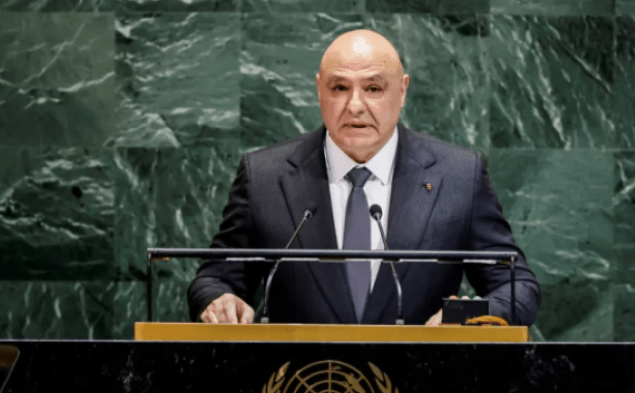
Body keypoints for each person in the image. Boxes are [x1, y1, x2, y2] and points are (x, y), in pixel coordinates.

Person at [188, 29, 540, 326]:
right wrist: (219, 300)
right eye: (339, 88)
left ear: (402, 91)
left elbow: (517, 286)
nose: (355, 105)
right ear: (319, 90)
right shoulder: (264, 176)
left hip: (422, 379)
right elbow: (215, 277)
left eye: (373, 89)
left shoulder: (459, 175)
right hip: (301, 382)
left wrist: (467, 318)